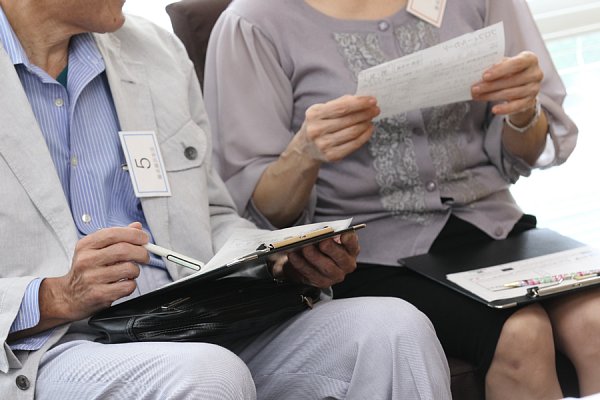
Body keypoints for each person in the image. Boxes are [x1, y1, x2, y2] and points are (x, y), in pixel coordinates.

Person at [0, 1, 453, 399]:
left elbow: (212, 214)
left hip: (194, 319)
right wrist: (55, 297)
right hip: (49, 347)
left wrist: (277, 260)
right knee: (209, 374)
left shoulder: (156, 51)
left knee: (394, 329)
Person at [204, 0, 600, 398]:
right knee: (522, 334)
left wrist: (524, 111)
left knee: (595, 322)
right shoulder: (253, 24)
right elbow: (255, 214)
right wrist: (304, 152)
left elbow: (524, 154)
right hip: (366, 253)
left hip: (492, 225)